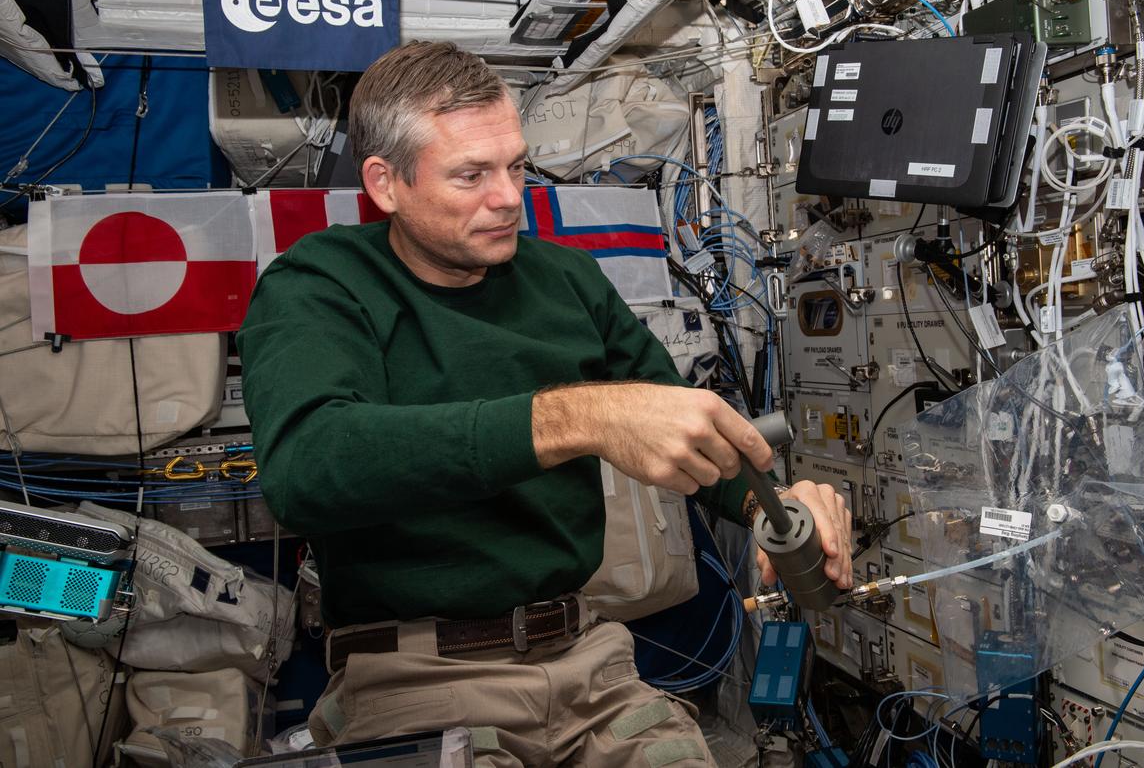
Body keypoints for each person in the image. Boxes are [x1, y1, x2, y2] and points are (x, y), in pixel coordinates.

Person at [237, 41, 853, 767]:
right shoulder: (319, 284)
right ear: (386, 183)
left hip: (587, 663)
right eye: (471, 174)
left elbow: (685, 425)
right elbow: (308, 465)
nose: (508, 197)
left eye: (516, 166)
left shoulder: (567, 280)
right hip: (414, 677)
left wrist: (771, 505)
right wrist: (579, 417)